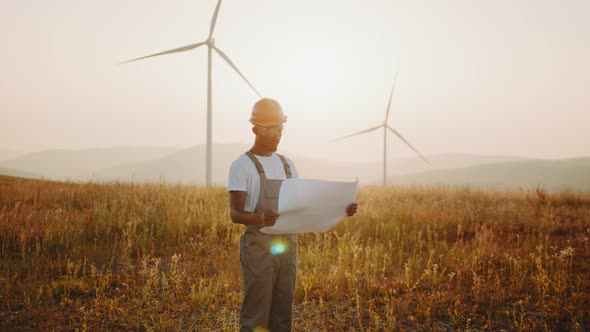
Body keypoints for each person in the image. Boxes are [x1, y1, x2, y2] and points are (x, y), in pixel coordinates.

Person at [228, 98, 358, 331]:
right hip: (258, 246)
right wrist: (259, 218)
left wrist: (341, 209)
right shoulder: (242, 166)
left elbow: (304, 205)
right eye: (271, 130)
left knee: (282, 311)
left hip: (288, 246)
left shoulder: (288, 165)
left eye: (280, 129)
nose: (277, 135)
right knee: (257, 311)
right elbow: (235, 214)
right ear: (255, 129)